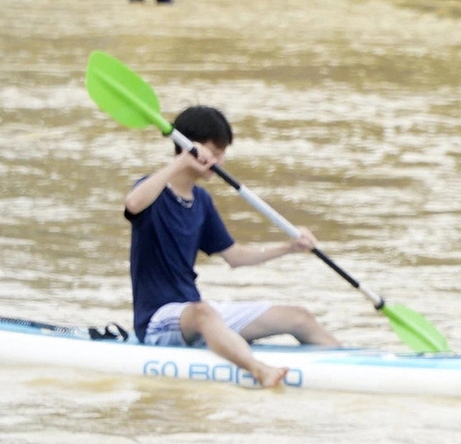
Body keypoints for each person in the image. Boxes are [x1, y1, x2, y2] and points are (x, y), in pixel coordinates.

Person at [123, 105, 339, 388]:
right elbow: (133, 204)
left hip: (196, 312)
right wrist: (181, 161)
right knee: (204, 312)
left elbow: (235, 256)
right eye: (215, 152)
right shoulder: (152, 190)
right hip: (157, 320)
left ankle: (349, 367)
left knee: (300, 317)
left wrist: (289, 247)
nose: (219, 161)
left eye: (222, 153)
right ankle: (259, 370)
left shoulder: (201, 202)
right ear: (190, 147)